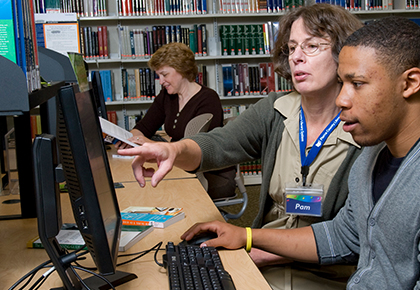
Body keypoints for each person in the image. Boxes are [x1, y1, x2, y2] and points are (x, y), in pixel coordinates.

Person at [178, 16, 420, 289]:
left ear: (410, 83)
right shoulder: (373, 155)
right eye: (342, 83)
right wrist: (247, 235)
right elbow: (342, 235)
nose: (341, 99)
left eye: (357, 84)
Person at [119, 4, 363, 289]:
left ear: (343, 54)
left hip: (322, 274)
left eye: (312, 46)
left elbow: (351, 238)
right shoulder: (275, 110)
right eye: (292, 46)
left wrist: (251, 244)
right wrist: (174, 151)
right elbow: (219, 144)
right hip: (260, 261)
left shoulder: (364, 130)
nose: (296, 57)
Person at [117, 42, 236, 200]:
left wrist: (151, 144)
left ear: (182, 70)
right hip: (177, 165)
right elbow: (144, 127)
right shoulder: (167, 95)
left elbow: (194, 147)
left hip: (208, 172)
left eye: (164, 75)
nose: (160, 81)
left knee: (151, 193)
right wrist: (131, 139)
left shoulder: (208, 99)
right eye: (158, 75)